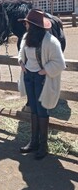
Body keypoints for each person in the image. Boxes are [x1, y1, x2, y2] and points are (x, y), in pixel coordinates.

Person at [18, 9, 66, 159]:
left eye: (27, 23)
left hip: (41, 80)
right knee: (33, 109)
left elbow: (60, 62)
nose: (25, 25)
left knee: (42, 111)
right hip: (29, 77)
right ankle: (34, 142)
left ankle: (43, 145)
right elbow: (22, 51)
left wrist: (45, 71)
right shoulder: (26, 37)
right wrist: (21, 61)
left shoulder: (50, 41)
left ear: (33, 25)